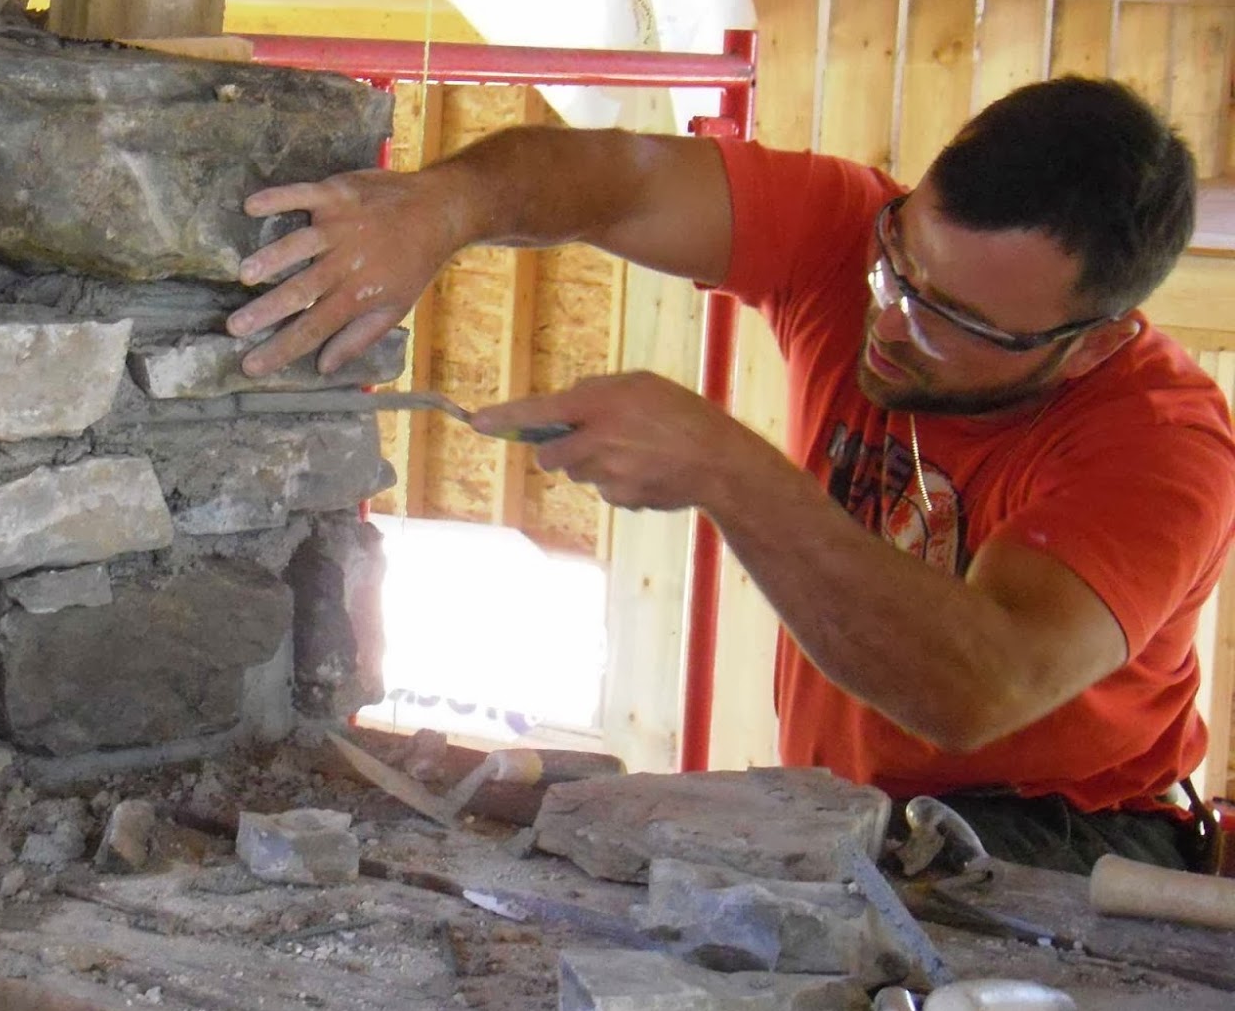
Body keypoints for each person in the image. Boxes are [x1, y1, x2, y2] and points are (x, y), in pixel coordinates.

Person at [227, 76, 1235, 874]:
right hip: (861, 807)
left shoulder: (1158, 445)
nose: (892, 322)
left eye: (955, 323)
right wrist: (445, 205)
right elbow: (617, 179)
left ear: (1093, 343)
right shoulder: (850, 230)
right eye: (899, 268)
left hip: (1073, 844)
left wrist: (723, 467)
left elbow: (973, 690)